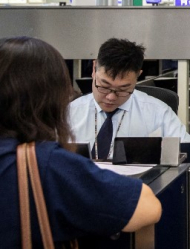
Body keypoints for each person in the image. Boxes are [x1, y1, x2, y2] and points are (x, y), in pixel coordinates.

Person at [0, 37, 161, 246]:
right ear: (50, 98)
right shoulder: (45, 165)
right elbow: (147, 207)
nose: (111, 97)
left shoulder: (156, 111)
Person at [68, 38, 190, 160]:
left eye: (123, 89)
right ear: (94, 68)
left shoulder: (158, 113)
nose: (111, 97)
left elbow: (188, 155)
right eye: (104, 86)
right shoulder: (69, 113)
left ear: (138, 75)